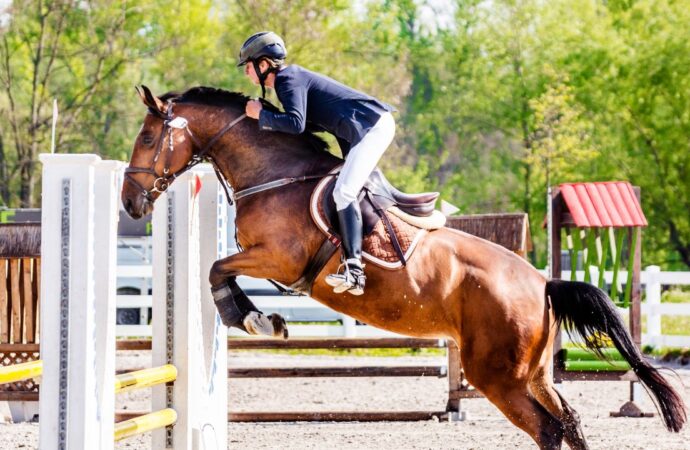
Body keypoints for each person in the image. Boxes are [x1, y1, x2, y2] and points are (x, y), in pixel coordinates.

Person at [238, 31, 395, 296]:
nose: (247, 73)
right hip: (362, 130)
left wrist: (261, 114)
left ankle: (355, 270)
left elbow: (297, 125)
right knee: (344, 188)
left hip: (373, 127)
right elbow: (305, 124)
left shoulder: (288, 79)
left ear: (264, 64)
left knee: (344, 192)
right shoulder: (289, 82)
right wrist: (268, 115)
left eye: (249, 66)